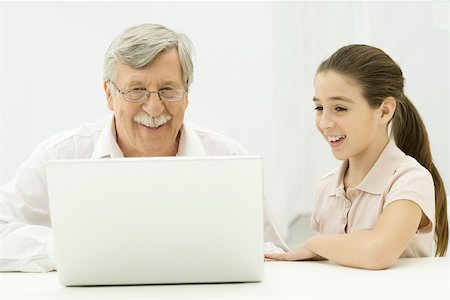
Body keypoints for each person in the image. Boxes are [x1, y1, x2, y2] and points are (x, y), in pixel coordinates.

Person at [0, 23, 288, 272]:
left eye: (168, 90)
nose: (153, 107)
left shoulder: (229, 158)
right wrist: (67, 249)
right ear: (109, 94)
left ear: (186, 95)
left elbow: (272, 251)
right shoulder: (60, 156)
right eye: (136, 90)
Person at [265, 44, 448, 269]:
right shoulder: (326, 187)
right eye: (319, 108)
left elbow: (378, 252)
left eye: (340, 108)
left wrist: (314, 244)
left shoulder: (410, 180)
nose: (325, 123)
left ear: (384, 111)